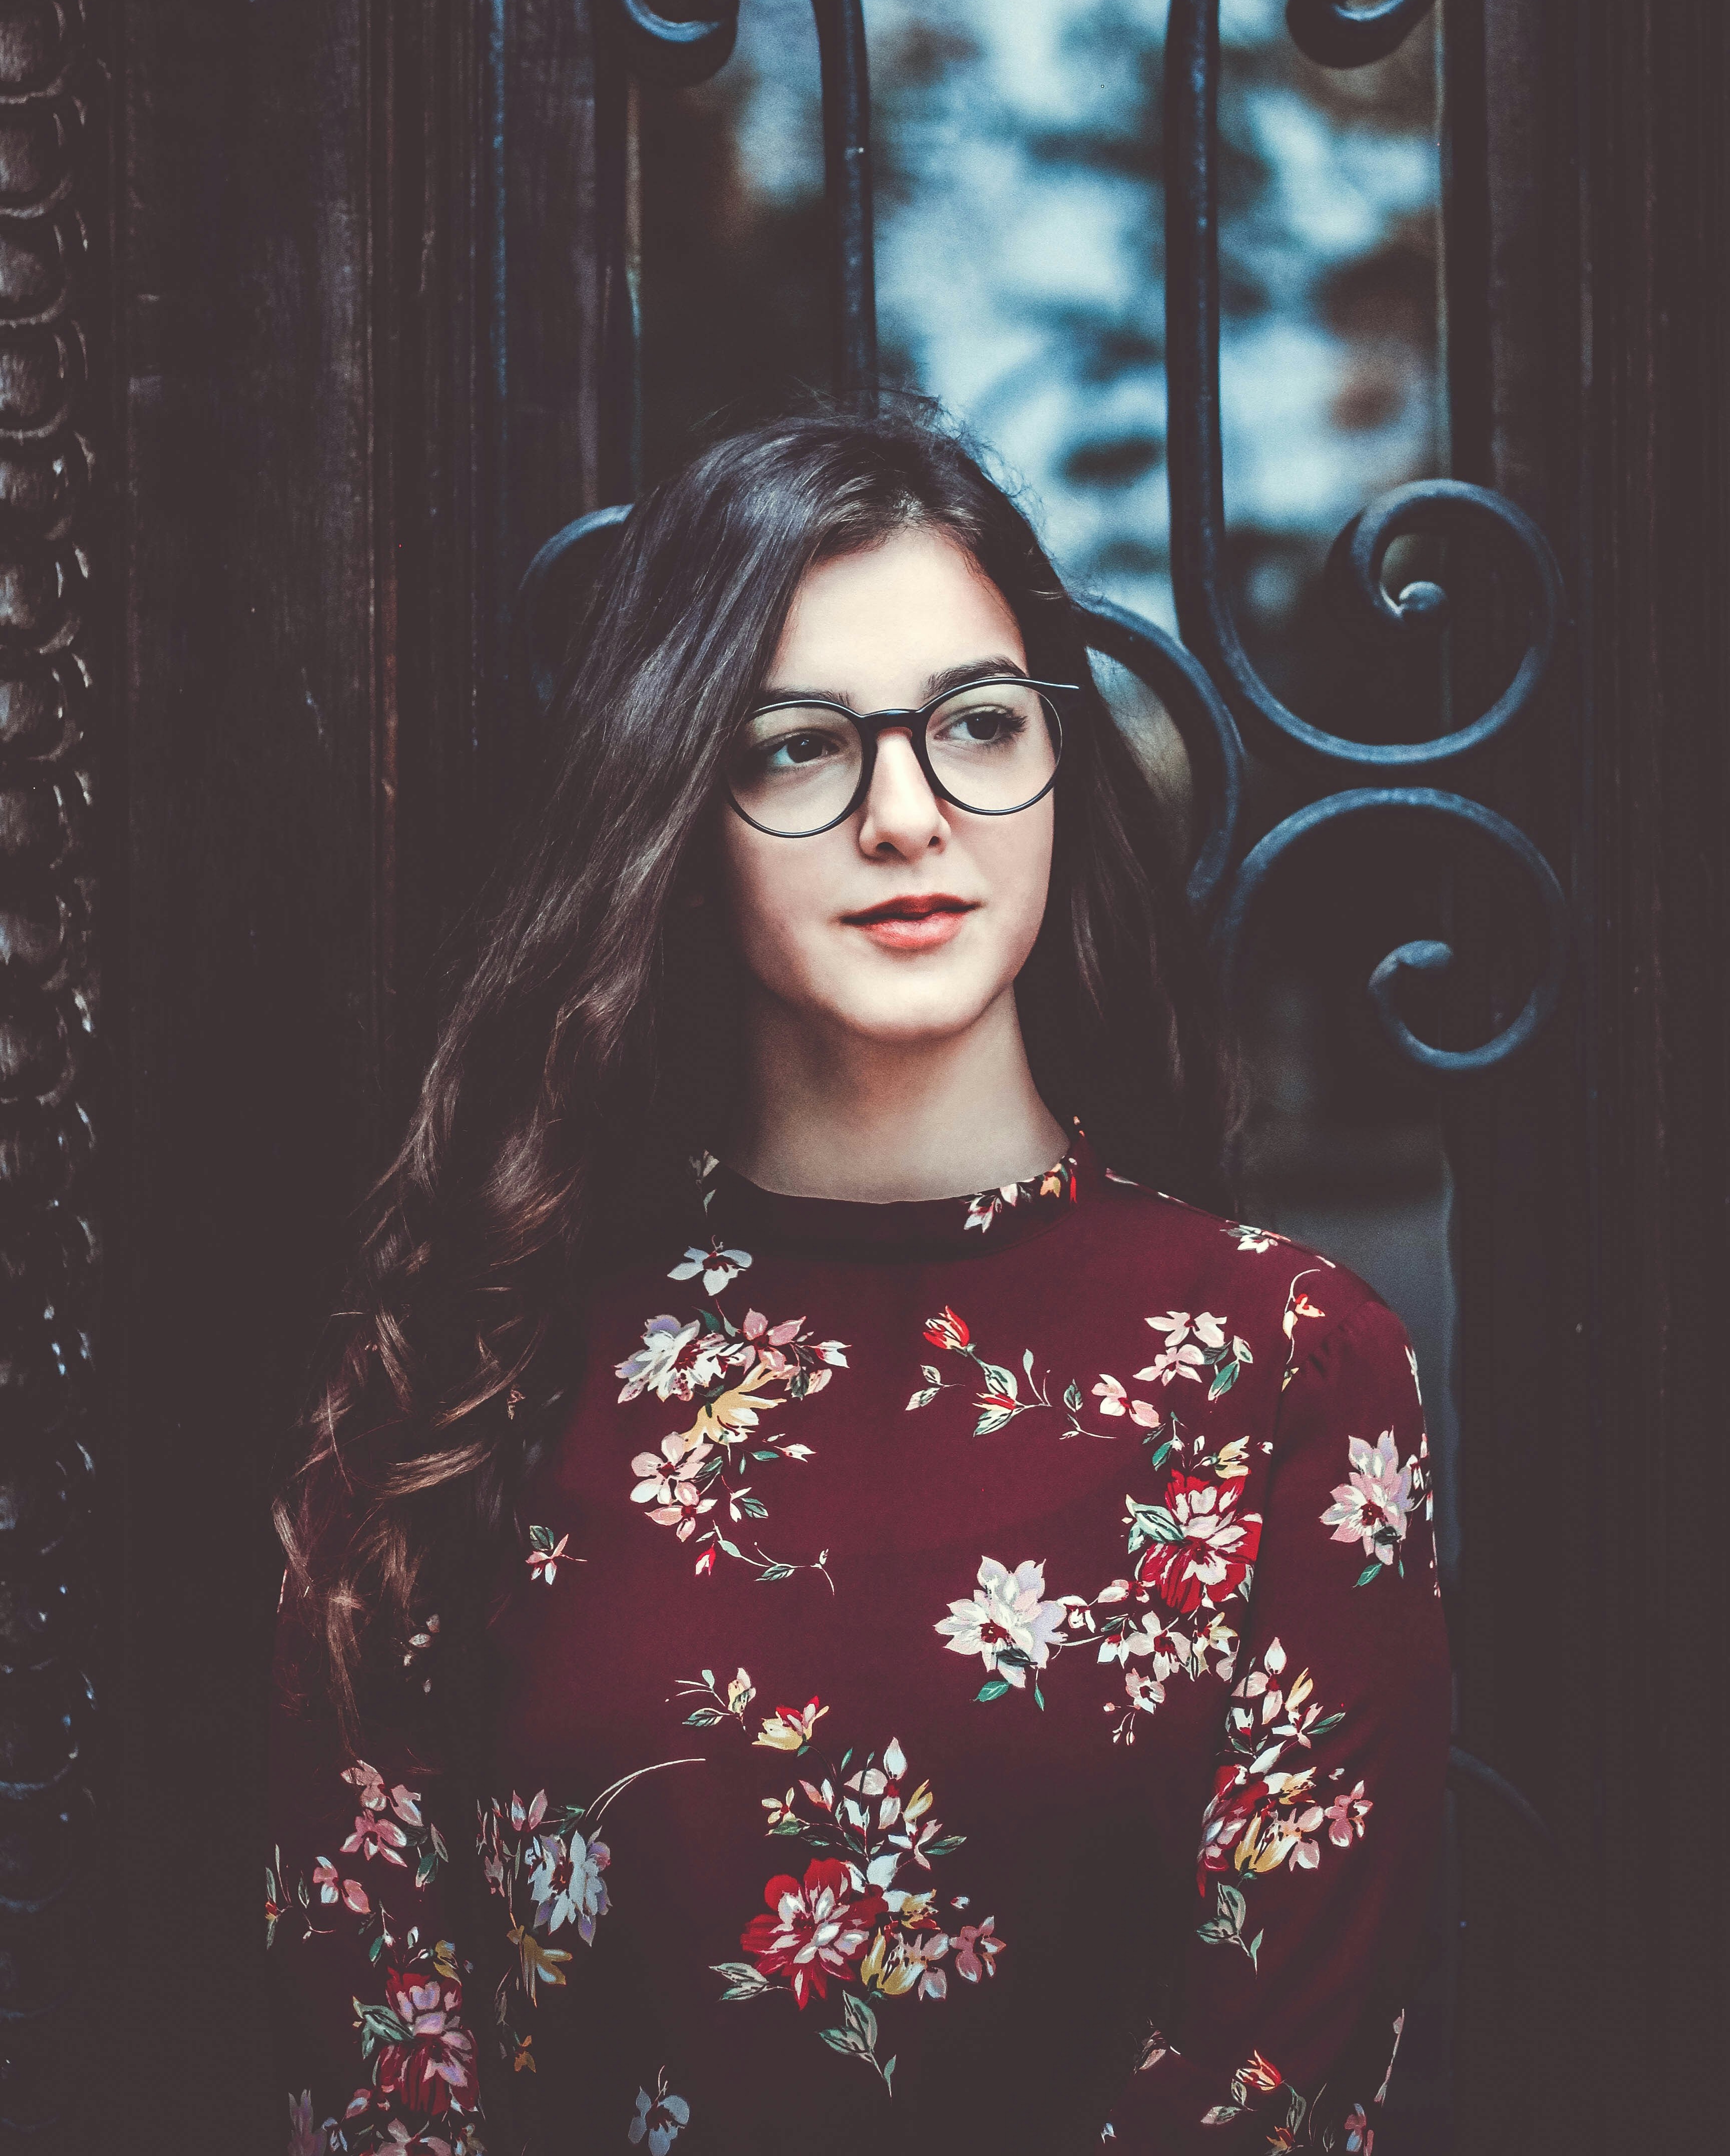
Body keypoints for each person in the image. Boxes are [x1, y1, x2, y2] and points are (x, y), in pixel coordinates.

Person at [269, 398, 1449, 2156]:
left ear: (1056, 763)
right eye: (800, 746)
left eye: (977, 724)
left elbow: (1276, 2078)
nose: (909, 814)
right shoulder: (469, 1380)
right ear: (684, 799)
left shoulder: (1286, 1369)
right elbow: (389, 2066)